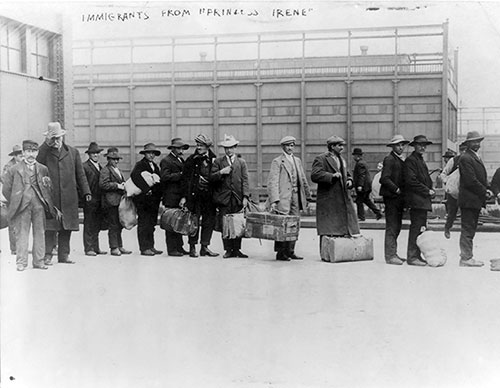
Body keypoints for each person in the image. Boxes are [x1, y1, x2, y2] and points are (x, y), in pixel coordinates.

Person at [37, 122, 91, 265]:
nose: (56, 141)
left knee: (66, 227)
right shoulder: (45, 153)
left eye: (58, 138)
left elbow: (81, 175)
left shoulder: (73, 152)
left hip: (69, 197)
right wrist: (46, 144)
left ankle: (64, 255)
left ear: (63, 137)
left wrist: (86, 191)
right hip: (51, 197)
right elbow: (37, 162)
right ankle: (47, 255)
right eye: (52, 139)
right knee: (50, 227)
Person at [2, 140, 59, 271]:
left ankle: (39, 261)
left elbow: (49, 187)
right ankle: (21, 262)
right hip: (22, 206)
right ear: (23, 152)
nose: (31, 154)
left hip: (39, 205)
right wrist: (15, 200)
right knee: (22, 234)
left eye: (33, 151)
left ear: (37, 152)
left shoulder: (43, 169)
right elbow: (6, 189)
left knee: (40, 232)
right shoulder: (14, 170)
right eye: (28, 151)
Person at [268, 135, 312, 261]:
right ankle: (281, 253)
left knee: (294, 224)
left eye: (292, 145)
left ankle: (291, 251)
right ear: (283, 147)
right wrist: (274, 200)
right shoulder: (277, 161)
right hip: (283, 198)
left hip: (296, 197)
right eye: (287, 145)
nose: (290, 148)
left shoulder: (297, 161)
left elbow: (302, 178)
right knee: (281, 225)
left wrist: (307, 196)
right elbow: (273, 181)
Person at [311, 135, 359, 248]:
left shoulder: (341, 159)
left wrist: (350, 181)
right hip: (329, 199)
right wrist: (331, 176)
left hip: (342, 197)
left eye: (342, 145)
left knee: (341, 227)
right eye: (339, 145)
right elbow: (315, 175)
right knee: (327, 228)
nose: (342, 148)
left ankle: (338, 252)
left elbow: (346, 174)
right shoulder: (321, 158)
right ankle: (326, 253)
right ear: (332, 146)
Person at [211, 135, 250, 259]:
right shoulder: (218, 161)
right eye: (226, 148)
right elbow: (211, 178)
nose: (228, 150)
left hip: (237, 198)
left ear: (235, 148)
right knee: (225, 225)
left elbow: (245, 180)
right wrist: (221, 172)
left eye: (231, 147)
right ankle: (228, 249)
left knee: (237, 224)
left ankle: (237, 249)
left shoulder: (241, 162)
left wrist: (245, 197)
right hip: (224, 198)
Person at [458, 131, 493, 267]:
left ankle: (467, 257)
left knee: (470, 229)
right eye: (474, 141)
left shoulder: (474, 157)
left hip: (473, 200)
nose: (477, 144)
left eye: (478, 141)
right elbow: (470, 181)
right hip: (469, 200)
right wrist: (485, 192)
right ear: (468, 143)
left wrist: (488, 188)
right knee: (467, 229)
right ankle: (466, 258)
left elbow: (480, 178)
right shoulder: (466, 158)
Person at [181, 134, 219, 258]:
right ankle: (192, 247)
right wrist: (184, 197)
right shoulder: (191, 160)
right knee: (193, 222)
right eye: (197, 145)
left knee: (209, 221)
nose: (198, 147)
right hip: (195, 196)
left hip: (209, 197)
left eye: (201, 145)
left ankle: (205, 247)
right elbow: (185, 180)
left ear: (207, 147)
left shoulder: (214, 159)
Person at [404, 135, 435, 267]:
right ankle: (412, 256)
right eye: (420, 145)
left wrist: (430, 189)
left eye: (424, 145)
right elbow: (411, 181)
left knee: (421, 229)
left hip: (422, 200)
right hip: (417, 201)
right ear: (414, 146)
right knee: (416, 228)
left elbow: (425, 179)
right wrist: (427, 191)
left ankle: (416, 255)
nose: (422, 147)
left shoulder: (420, 160)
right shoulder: (411, 160)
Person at [380, 135, 409, 265]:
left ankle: (393, 253)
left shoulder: (399, 160)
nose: (401, 147)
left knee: (396, 226)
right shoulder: (390, 159)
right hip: (391, 198)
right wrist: (396, 189)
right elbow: (384, 178)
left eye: (402, 145)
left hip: (398, 199)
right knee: (392, 227)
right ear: (392, 147)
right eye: (398, 145)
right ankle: (390, 255)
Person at [130, 143, 163, 256]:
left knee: (152, 223)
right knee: (144, 223)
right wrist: (146, 189)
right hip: (143, 200)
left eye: (153, 153)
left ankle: (151, 246)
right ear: (145, 154)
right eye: (149, 153)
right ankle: (144, 247)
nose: (151, 155)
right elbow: (135, 176)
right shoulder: (140, 164)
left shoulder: (155, 165)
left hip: (153, 200)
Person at [160, 138, 190, 257]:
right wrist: (181, 175)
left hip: (178, 196)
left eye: (182, 148)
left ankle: (179, 247)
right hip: (171, 196)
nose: (181, 150)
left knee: (178, 221)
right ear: (173, 149)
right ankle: (172, 249)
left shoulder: (179, 159)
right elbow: (165, 177)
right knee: (171, 222)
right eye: (179, 148)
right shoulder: (166, 161)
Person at [99, 147, 132, 256]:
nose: (116, 161)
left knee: (119, 224)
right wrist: (117, 185)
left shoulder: (118, 170)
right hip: (111, 202)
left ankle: (119, 246)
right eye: (113, 159)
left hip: (119, 202)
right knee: (113, 225)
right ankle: (114, 247)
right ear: (108, 159)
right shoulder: (105, 170)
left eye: (117, 159)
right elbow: (103, 184)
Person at [82, 142, 106, 256]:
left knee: (96, 224)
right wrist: (86, 196)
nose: (96, 155)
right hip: (90, 199)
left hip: (99, 199)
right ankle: (88, 248)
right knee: (89, 224)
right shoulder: (85, 166)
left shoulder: (100, 167)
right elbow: (82, 183)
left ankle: (96, 247)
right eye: (93, 153)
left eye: (97, 153)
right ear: (89, 154)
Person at [440, 144, 467, 239]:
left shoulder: (471, 161)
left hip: (465, 191)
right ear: (460, 151)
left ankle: (465, 234)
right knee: (452, 212)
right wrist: (448, 182)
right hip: (453, 191)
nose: (464, 153)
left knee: (466, 213)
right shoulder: (453, 161)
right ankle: (447, 228)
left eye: (466, 150)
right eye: (462, 151)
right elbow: (443, 174)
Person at [1, 144, 23, 255]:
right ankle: (14, 248)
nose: (21, 157)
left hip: (23, 198)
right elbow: (5, 184)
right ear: (14, 156)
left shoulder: (23, 165)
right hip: (11, 198)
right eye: (19, 155)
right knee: (12, 224)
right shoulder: (8, 167)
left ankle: (20, 246)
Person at [352, 147, 382, 221]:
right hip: (367, 187)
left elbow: (361, 175)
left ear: (357, 156)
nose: (353, 157)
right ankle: (378, 212)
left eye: (354, 155)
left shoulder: (360, 164)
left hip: (363, 187)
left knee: (359, 201)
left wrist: (360, 185)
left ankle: (361, 217)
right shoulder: (363, 163)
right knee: (366, 200)